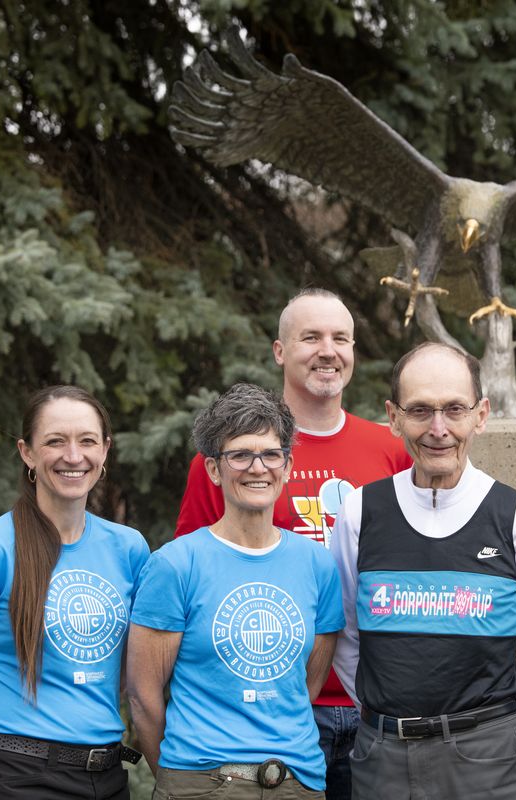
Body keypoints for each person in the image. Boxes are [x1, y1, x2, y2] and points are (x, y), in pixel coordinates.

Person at [173, 288, 409, 799]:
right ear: (280, 351)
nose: (328, 350)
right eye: (311, 337)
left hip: (374, 705)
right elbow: (190, 583)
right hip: (267, 713)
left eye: (340, 338)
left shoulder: (392, 452)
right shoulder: (227, 461)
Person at [331, 342, 516, 800]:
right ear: (393, 416)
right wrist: (389, 720)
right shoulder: (360, 512)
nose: (437, 429)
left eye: (454, 410)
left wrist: (496, 735)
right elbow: (343, 638)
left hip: (490, 764)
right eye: (420, 410)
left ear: (480, 415)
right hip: (384, 761)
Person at [0, 385, 149, 800]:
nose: (73, 456)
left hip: (107, 777)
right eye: (55, 442)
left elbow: (130, 671)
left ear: (105, 450)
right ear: (27, 452)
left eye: (87, 441)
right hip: (15, 779)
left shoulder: (130, 548)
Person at [128, 383, 344, 799]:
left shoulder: (317, 564)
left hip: (297, 783)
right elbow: (143, 695)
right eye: (240, 455)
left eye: (269, 454)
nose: (257, 467)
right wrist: (178, 782)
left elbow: (306, 685)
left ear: (287, 464)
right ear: (213, 469)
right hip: (201, 782)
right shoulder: (175, 564)